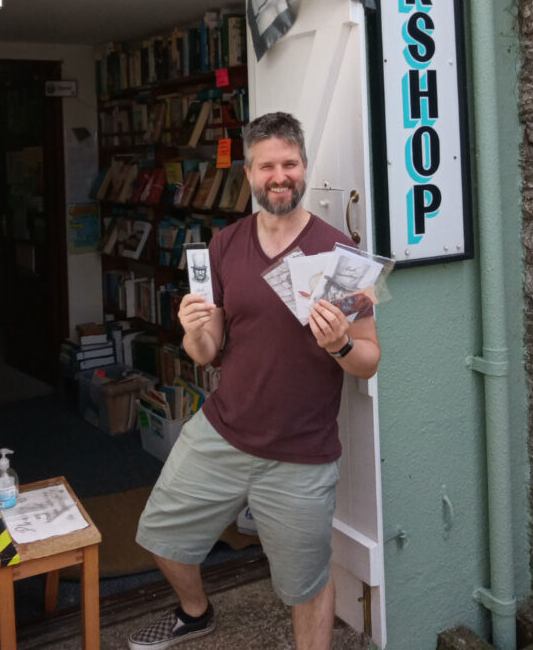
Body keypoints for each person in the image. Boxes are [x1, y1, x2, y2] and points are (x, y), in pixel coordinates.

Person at [128, 112, 381, 650]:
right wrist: (193, 330)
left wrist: (338, 343)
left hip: (301, 452)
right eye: (267, 165)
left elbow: (369, 359)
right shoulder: (225, 246)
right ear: (249, 173)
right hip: (222, 432)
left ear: (304, 168)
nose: (279, 175)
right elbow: (208, 350)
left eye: (289, 163)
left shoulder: (339, 254)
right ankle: (195, 615)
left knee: (305, 588)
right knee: (162, 538)